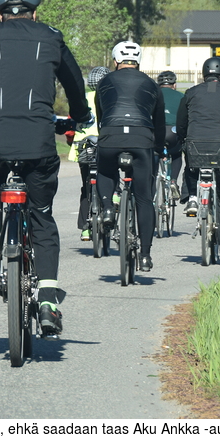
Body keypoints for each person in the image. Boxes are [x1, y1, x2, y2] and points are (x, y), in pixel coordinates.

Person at [0, 0, 92, 337]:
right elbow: (75, 85)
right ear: (34, 10)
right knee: (42, 217)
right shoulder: (52, 37)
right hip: (38, 142)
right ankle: (47, 298)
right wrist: (81, 115)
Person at [93, 42, 165, 271]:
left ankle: (106, 208)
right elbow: (159, 124)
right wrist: (158, 149)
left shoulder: (104, 81)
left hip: (111, 135)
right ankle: (145, 255)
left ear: (115, 61)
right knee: (144, 198)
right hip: (141, 138)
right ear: (139, 62)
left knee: (105, 169)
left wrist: (106, 134)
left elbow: (100, 115)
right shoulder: (152, 84)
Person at [175, 56, 220, 261]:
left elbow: (181, 123)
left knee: (190, 167)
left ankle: (191, 198)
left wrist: (183, 139)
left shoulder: (191, 93)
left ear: (204, 75)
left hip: (195, 147)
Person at [72, 66, 108, 242]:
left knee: (86, 186)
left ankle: (85, 228)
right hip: (104, 144)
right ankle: (114, 196)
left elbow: (73, 126)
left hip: (83, 147)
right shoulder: (109, 97)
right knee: (108, 175)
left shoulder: (83, 98)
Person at [157, 71, 184, 198]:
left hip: (156, 131)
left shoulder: (153, 95)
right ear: (174, 85)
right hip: (172, 131)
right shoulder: (180, 96)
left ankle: (152, 182)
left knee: (153, 154)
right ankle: (173, 180)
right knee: (177, 155)